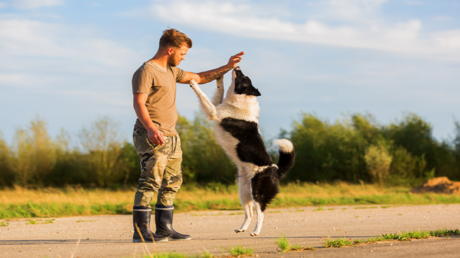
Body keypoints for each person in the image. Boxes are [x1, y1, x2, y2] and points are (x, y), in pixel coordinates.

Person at [131, 28, 244, 243]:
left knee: (172, 181)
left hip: (172, 136)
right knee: (150, 181)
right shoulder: (147, 71)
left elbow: (200, 78)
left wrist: (228, 67)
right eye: (182, 54)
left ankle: (165, 229)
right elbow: (138, 103)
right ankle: (141, 232)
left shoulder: (172, 71)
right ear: (170, 50)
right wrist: (151, 128)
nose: (183, 58)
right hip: (151, 134)